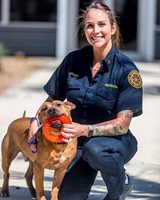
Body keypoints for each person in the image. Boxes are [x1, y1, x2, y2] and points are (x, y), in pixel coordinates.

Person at [28, 1, 143, 200]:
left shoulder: (126, 69)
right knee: (68, 197)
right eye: (90, 25)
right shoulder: (73, 60)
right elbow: (52, 99)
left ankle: (120, 186)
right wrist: (34, 122)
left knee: (95, 148)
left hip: (113, 143)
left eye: (101, 24)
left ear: (113, 28)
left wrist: (85, 129)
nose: (95, 31)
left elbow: (123, 124)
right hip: (76, 146)